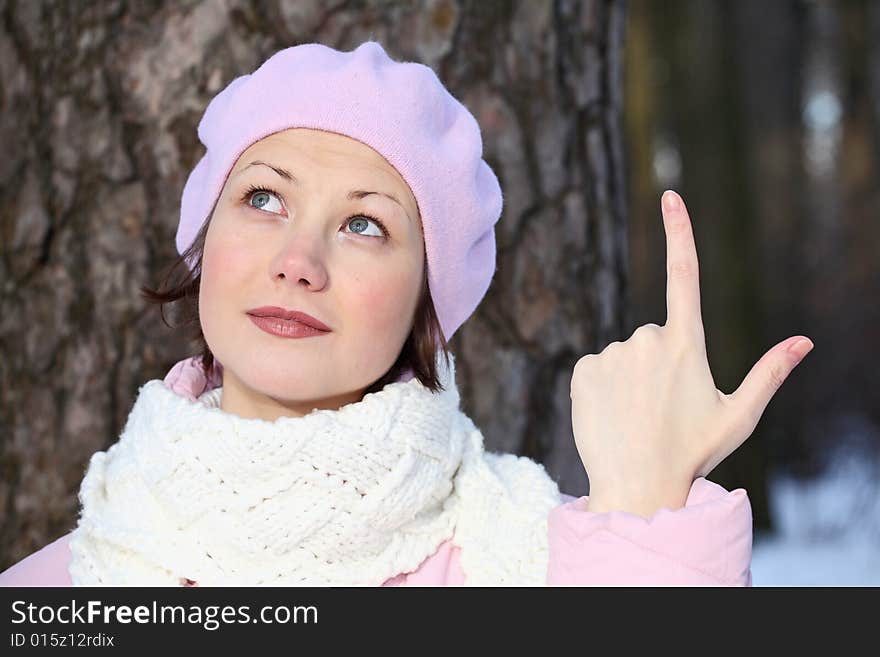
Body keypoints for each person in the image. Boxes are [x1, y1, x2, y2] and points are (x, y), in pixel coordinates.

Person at [0, 40, 769, 587]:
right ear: (206, 246)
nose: (298, 259)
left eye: (364, 223)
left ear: (426, 305)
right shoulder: (54, 592)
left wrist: (644, 510)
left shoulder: (560, 562)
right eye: (263, 197)